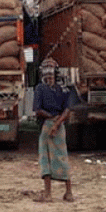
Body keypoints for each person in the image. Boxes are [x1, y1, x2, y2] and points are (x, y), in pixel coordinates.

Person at [32, 59, 73, 202]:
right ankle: (69, 193)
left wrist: (51, 121)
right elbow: (67, 110)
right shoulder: (64, 88)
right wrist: (58, 123)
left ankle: (48, 194)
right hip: (60, 126)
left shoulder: (40, 88)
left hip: (47, 126)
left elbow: (37, 110)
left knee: (45, 159)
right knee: (62, 156)